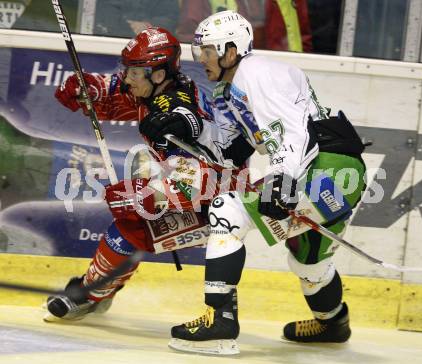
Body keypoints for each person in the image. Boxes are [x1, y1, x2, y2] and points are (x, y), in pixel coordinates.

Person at [148, 10, 366, 355]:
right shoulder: (231, 89)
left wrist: (282, 179)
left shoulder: (257, 73)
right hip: (337, 174)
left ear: (230, 52)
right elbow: (229, 149)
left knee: (228, 211)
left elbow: (293, 131)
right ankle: (333, 322)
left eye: (206, 51)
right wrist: (182, 129)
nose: (199, 59)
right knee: (310, 262)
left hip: (328, 170)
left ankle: (219, 321)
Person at [44, 26, 254, 321]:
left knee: (129, 228)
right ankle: (97, 293)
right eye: (127, 69)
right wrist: (89, 88)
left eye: (133, 72)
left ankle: (91, 295)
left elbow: (198, 182)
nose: (126, 78)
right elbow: (114, 92)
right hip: (199, 188)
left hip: (217, 202)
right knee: (130, 226)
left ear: (157, 74)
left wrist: (145, 196)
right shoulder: (159, 89)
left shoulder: (173, 116)